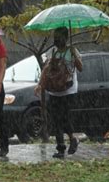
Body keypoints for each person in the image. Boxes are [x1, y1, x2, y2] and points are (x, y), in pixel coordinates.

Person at [34, 27, 83, 159]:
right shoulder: (52, 52)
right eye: (55, 37)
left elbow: (80, 68)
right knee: (56, 120)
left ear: (66, 38)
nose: (57, 40)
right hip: (54, 90)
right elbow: (46, 70)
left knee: (64, 118)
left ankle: (73, 138)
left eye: (60, 37)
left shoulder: (72, 50)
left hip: (68, 90)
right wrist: (40, 85)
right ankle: (61, 148)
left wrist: (74, 56)